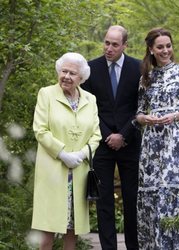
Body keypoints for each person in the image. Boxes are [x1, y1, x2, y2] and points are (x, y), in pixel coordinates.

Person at [135, 28, 179, 249]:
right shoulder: (146, 77)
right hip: (152, 143)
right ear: (151, 50)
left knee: (176, 191)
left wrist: (175, 116)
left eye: (168, 46)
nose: (165, 50)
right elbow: (138, 113)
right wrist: (147, 119)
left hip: (176, 141)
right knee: (154, 193)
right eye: (160, 47)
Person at [31, 52, 101, 250]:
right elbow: (40, 130)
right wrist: (62, 154)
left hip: (78, 173)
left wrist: (81, 154)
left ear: (81, 78)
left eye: (72, 73)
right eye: (64, 71)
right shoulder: (46, 94)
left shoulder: (90, 99)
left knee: (72, 230)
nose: (67, 76)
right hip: (53, 172)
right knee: (48, 230)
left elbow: (96, 135)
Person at [82, 25, 141, 250]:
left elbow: (141, 106)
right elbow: (89, 108)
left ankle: (133, 246)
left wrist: (124, 134)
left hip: (131, 142)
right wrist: (109, 136)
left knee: (132, 199)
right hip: (102, 144)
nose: (109, 48)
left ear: (125, 45)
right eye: (107, 42)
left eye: (115, 44)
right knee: (104, 201)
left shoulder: (138, 68)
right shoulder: (90, 68)